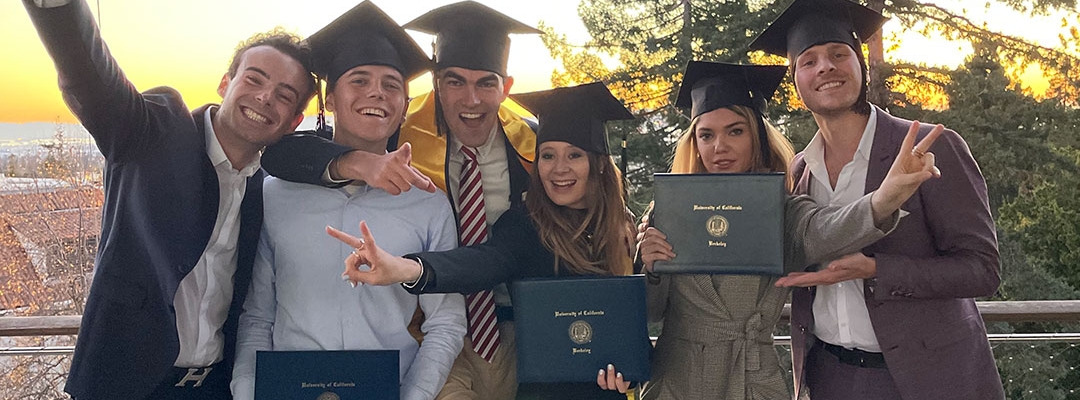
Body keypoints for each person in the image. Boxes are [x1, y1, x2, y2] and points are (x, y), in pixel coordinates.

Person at [22, 1, 316, 399]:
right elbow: (90, 75)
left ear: (294, 121)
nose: (266, 98)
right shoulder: (152, 133)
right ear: (225, 84)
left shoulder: (266, 190)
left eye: (284, 95)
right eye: (254, 79)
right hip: (124, 386)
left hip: (215, 387)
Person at [259, 2, 542, 399]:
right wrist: (356, 163)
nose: (471, 99)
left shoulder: (536, 146)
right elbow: (282, 154)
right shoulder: (401, 129)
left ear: (505, 87)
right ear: (436, 85)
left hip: (513, 322)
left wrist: (410, 268)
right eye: (454, 81)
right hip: (426, 337)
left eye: (486, 83)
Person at [635, 61, 944, 400]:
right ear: (694, 142)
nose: (719, 146)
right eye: (706, 135)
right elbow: (650, 312)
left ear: (758, 138)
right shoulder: (669, 209)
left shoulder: (781, 211)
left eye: (735, 131)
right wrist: (650, 268)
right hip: (676, 380)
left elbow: (828, 230)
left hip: (752, 379)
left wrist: (885, 199)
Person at [748, 0, 1004, 399]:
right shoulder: (800, 171)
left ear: (859, 65)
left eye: (838, 54)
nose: (825, 68)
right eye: (808, 61)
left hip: (927, 380)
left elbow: (982, 270)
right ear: (796, 81)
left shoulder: (927, 149)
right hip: (829, 376)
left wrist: (876, 269)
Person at [327, 82, 640, 400]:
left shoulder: (621, 227)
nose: (559, 168)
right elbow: (484, 261)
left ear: (599, 163)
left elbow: (634, 322)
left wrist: (631, 372)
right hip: (546, 391)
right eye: (547, 155)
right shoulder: (527, 225)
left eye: (574, 155)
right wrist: (407, 268)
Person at [228, 3, 466, 400]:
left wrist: (414, 396)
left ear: (404, 105)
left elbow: (446, 322)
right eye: (359, 80)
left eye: (392, 85)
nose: (377, 92)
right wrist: (249, 391)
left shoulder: (428, 204)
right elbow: (257, 316)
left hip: (389, 390)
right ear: (331, 98)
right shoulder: (275, 194)